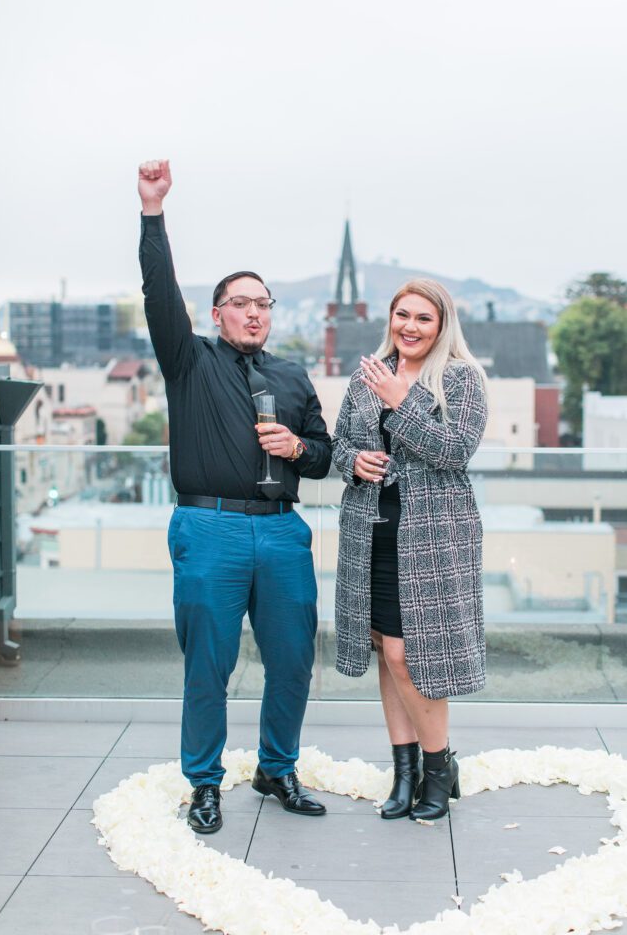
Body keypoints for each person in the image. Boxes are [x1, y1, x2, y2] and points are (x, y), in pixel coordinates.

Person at [137, 159, 332, 834]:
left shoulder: (293, 373)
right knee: (208, 667)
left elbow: (326, 455)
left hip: (282, 532)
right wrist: (153, 213)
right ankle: (204, 783)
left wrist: (299, 451)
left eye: (262, 304)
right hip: (208, 527)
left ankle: (277, 769)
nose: (253, 312)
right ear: (218, 313)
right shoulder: (188, 360)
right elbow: (159, 292)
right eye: (240, 303)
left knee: (292, 663)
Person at [332, 279, 487, 822]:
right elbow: (339, 441)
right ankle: (404, 772)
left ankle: (439, 767)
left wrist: (403, 403)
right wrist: (351, 460)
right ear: (390, 319)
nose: (411, 327)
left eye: (424, 318)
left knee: (409, 655)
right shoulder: (367, 374)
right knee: (384, 647)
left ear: (442, 326)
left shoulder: (463, 379)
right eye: (403, 315)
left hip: (432, 537)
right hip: (370, 529)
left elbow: (455, 450)